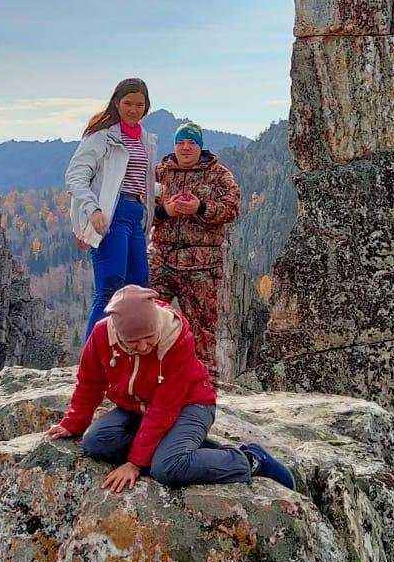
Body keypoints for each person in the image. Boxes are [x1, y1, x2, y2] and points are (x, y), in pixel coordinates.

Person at [45, 285, 294, 491]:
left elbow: (165, 407)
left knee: (167, 467)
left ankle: (250, 460)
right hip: (136, 407)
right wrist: (72, 423)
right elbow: (90, 382)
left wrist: (134, 462)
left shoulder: (176, 338)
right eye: (133, 342)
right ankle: (176, 448)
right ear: (118, 335)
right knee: (95, 442)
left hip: (191, 404)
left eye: (149, 337)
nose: (143, 346)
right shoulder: (102, 336)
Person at [149, 121, 241, 382]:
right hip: (162, 260)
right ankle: (150, 379)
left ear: (200, 146)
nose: (186, 147)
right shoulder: (158, 174)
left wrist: (200, 208)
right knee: (151, 321)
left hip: (202, 266)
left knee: (202, 330)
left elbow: (232, 209)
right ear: (174, 145)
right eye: (181, 142)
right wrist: (164, 211)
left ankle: (204, 386)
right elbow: (140, 212)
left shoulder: (218, 174)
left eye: (192, 142)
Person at [66, 77, 157, 338]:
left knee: (138, 286)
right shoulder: (102, 138)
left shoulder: (146, 140)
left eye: (139, 104)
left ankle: (126, 350)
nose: (133, 109)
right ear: (117, 103)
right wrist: (92, 211)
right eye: (128, 103)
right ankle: (92, 358)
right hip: (110, 215)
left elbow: (142, 181)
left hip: (136, 214)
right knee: (110, 285)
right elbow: (75, 176)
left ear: (146, 107)